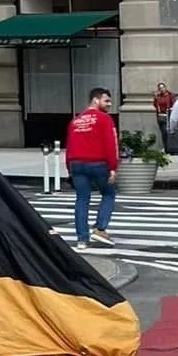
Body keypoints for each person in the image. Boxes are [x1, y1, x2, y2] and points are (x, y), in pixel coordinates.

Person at [64, 86, 120, 251]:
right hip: (98, 163)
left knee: (82, 199)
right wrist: (113, 167)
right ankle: (100, 228)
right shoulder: (104, 119)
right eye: (106, 100)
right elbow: (111, 144)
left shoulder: (75, 120)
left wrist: (69, 169)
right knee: (109, 194)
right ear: (96, 100)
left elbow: (69, 146)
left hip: (76, 164)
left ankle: (82, 239)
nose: (109, 104)